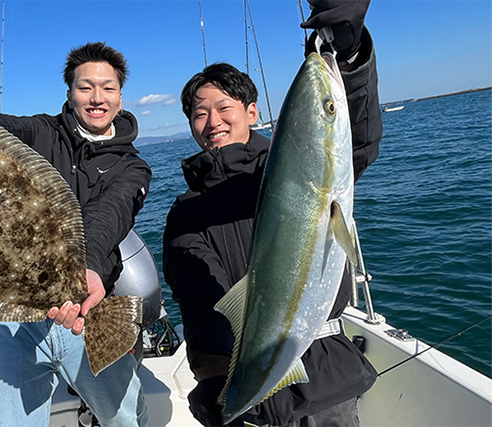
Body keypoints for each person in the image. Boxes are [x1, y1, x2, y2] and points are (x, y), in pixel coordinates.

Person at [162, 0, 382, 426]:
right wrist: (211, 378)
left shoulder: (284, 169)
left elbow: (356, 142)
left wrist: (349, 53)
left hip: (324, 383)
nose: (212, 122)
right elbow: (198, 297)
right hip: (249, 392)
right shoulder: (187, 211)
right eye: (199, 113)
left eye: (224, 108)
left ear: (252, 113)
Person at [0, 42, 150, 426]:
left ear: (120, 95)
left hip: (91, 308)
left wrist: (84, 267)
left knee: (125, 419)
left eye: (108, 87)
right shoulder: (39, 133)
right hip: (16, 320)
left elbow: (109, 213)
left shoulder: (132, 167)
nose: (96, 98)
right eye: (85, 87)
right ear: (70, 93)